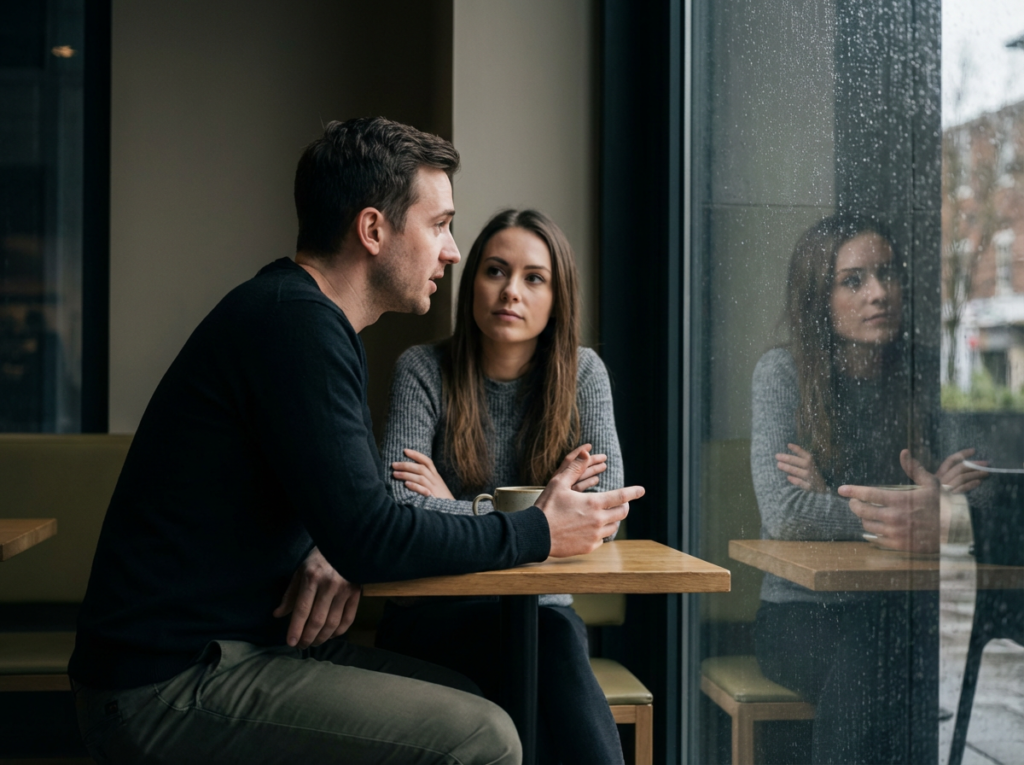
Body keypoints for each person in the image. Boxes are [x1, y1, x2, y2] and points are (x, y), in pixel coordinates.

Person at [68, 118, 642, 765]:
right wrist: (536, 528)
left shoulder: (300, 319)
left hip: (244, 643)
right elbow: (375, 531)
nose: (451, 252)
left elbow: (349, 513)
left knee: (478, 695)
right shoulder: (297, 328)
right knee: (484, 735)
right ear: (373, 230)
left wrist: (334, 541)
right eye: (439, 225)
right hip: (169, 680)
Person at [375, 209, 625, 765]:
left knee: (546, 643)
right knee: (547, 653)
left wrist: (449, 506)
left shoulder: (583, 374)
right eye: (495, 271)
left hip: (541, 616)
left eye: (534, 278)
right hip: (432, 612)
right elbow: (396, 506)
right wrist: (538, 518)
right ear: (471, 284)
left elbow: (602, 516)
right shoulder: (423, 369)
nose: (511, 291)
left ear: (558, 296)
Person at [750, 213, 986, 764]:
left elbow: (985, 488)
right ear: (819, 296)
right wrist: (923, 509)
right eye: (853, 280)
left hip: (910, 606)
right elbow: (786, 514)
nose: (879, 293)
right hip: (803, 614)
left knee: (891, 654)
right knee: (878, 661)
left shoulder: (929, 372)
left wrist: (832, 496)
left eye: (888, 274)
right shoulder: (783, 373)